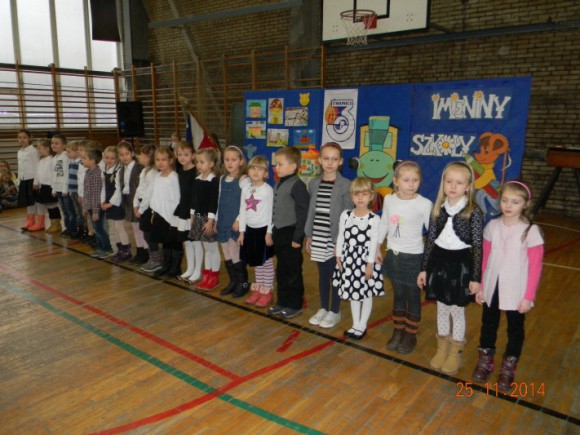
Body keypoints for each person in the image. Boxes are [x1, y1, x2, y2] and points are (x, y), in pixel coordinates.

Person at [472, 181, 544, 389]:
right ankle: (485, 360)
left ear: (526, 204)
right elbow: (485, 259)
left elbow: (535, 267)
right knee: (489, 324)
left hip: (516, 289)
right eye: (504, 200)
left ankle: (509, 366)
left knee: (515, 328)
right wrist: (482, 285)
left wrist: (528, 296)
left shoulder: (530, 231)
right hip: (492, 285)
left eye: (515, 202)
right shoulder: (492, 226)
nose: (508, 205)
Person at [418, 161, 483, 375]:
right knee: (441, 308)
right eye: (449, 181)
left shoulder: (473, 212)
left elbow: (477, 246)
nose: (453, 186)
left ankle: (455, 352)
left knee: (457, 310)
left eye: (459, 182)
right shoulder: (438, 209)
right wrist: (424, 269)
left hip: (460, 266)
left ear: (468, 186)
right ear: (443, 183)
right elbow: (430, 241)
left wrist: (475, 277)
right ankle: (442, 348)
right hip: (439, 264)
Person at [377, 161, 433, 354]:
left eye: (415, 180)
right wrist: (377, 247)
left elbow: (432, 233)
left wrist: (427, 263)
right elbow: (384, 223)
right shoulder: (389, 200)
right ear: (396, 181)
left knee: (413, 296)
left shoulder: (424, 204)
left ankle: (410, 335)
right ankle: (398, 331)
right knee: (398, 295)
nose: (411, 184)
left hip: (414, 257)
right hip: (394, 255)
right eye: (406, 180)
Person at [305, 142, 353, 329]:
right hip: (318, 236)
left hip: (335, 239)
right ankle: (324, 307)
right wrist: (309, 235)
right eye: (326, 158)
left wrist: (341, 242)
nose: (330, 163)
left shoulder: (345, 185)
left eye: (334, 159)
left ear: (340, 161)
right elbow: (312, 211)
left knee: (336, 275)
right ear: (319, 160)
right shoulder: (313, 183)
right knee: (323, 275)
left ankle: (335, 310)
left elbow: (348, 215)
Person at [333, 177, 384, 340]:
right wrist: (338, 255)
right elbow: (341, 236)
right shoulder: (346, 215)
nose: (360, 198)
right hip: (349, 259)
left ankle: (362, 326)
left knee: (366, 293)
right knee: (353, 292)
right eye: (356, 194)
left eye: (364, 194)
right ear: (351, 196)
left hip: (365, 261)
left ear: (371, 196)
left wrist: (369, 265)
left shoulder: (374, 219)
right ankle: (355, 324)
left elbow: (373, 243)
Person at [268, 146, 310, 319]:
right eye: (276, 164)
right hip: (279, 233)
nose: (276, 167)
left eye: (280, 164)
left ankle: (295, 304)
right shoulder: (279, 182)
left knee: (292, 271)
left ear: (293, 166)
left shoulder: (298, 185)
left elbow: (303, 213)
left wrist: (298, 237)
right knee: (282, 269)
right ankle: (282, 301)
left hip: (291, 233)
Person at [238, 156, 275, 306]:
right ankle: (258, 290)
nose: (256, 172)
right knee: (256, 262)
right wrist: (242, 232)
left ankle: (267, 290)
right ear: (248, 171)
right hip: (250, 230)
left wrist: (269, 232)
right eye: (253, 168)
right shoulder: (246, 189)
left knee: (266, 262)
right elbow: (242, 210)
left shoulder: (268, 190)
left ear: (266, 173)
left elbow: (271, 212)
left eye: (260, 169)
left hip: (263, 231)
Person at [216, 145, 250, 297]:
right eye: (227, 159)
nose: (229, 163)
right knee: (226, 253)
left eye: (233, 160)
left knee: (235, 252)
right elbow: (219, 201)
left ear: (241, 161)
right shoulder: (222, 179)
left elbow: (247, 203)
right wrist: (217, 220)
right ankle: (233, 282)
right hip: (223, 221)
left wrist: (238, 221)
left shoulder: (244, 180)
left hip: (235, 223)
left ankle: (243, 284)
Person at [189, 148, 221, 290]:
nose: (199, 165)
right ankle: (206, 275)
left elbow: (214, 202)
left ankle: (214, 276)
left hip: (209, 219)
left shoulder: (214, 180)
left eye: (202, 162)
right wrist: (192, 215)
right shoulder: (197, 180)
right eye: (197, 162)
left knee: (213, 248)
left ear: (211, 164)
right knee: (206, 248)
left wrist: (210, 221)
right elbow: (194, 200)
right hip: (198, 218)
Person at [148, 147, 180, 275]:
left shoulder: (173, 177)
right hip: (160, 214)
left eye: (163, 159)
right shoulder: (157, 176)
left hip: (172, 215)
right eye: (158, 160)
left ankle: (175, 268)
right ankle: (166, 265)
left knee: (174, 241)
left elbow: (177, 198)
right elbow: (155, 196)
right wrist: (153, 212)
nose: (160, 162)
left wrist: (175, 217)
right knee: (165, 241)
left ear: (170, 160)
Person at [115, 141, 146, 264]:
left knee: (142, 229)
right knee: (135, 229)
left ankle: (146, 253)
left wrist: (139, 204)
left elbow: (141, 188)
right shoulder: (121, 170)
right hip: (128, 201)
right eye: (121, 155)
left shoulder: (139, 168)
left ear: (132, 153)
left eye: (127, 154)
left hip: (138, 202)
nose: (124, 157)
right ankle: (140, 251)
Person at [170, 142, 197, 279]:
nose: (182, 157)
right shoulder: (179, 171)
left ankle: (197, 271)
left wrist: (193, 212)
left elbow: (196, 195)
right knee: (186, 242)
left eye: (186, 154)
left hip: (192, 211)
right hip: (182, 210)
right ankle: (189, 269)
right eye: (179, 154)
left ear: (193, 155)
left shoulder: (196, 172)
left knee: (195, 243)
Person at [135, 145, 162, 272]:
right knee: (147, 234)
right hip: (143, 205)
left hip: (149, 206)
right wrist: (135, 203)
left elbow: (149, 194)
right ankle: (154, 258)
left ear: (148, 158)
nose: (139, 157)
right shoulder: (145, 170)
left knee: (149, 235)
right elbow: (140, 189)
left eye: (141, 155)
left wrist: (141, 209)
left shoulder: (152, 173)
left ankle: (156, 260)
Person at [82, 148, 113, 258]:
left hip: (96, 207)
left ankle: (107, 248)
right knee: (96, 229)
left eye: (84, 158)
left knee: (99, 229)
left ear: (92, 161)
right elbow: (86, 191)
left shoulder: (97, 174)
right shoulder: (88, 172)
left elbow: (96, 194)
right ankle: (100, 247)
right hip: (91, 206)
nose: (82, 160)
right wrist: (85, 207)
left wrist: (95, 211)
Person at [101, 146, 127, 260]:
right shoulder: (106, 170)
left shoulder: (118, 171)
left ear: (117, 159)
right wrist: (102, 201)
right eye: (107, 158)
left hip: (117, 204)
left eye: (112, 158)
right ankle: (118, 250)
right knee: (113, 228)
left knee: (119, 228)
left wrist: (111, 203)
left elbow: (119, 190)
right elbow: (103, 188)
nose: (109, 160)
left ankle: (126, 251)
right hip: (108, 204)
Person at [33, 139, 61, 233]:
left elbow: (54, 175)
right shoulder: (41, 160)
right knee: (48, 205)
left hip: (50, 186)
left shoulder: (52, 160)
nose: (38, 150)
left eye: (39, 148)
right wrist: (36, 182)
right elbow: (37, 173)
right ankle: (53, 223)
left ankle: (57, 224)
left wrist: (54, 188)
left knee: (53, 205)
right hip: (43, 186)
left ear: (47, 148)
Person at [16, 129, 40, 230]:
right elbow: (20, 167)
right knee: (28, 202)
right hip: (23, 180)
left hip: (32, 179)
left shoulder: (33, 151)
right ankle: (30, 221)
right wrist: (18, 180)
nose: (22, 139)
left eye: (25, 137)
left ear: (30, 138)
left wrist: (36, 181)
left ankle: (40, 223)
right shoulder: (19, 152)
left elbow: (37, 166)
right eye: (20, 137)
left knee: (37, 202)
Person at [50, 134, 71, 235]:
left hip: (64, 189)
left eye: (57, 143)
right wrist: (53, 189)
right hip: (58, 189)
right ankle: (67, 228)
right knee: (64, 211)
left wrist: (65, 188)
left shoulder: (66, 156)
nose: (54, 145)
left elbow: (66, 173)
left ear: (64, 145)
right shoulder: (54, 158)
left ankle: (72, 229)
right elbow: (54, 174)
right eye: (52, 143)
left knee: (69, 211)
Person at [64, 141, 84, 238]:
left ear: (77, 152)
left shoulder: (80, 163)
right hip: (72, 191)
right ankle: (79, 229)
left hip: (78, 192)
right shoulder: (72, 163)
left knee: (81, 212)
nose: (67, 154)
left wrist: (80, 193)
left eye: (69, 152)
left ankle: (84, 230)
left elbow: (80, 179)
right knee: (77, 211)